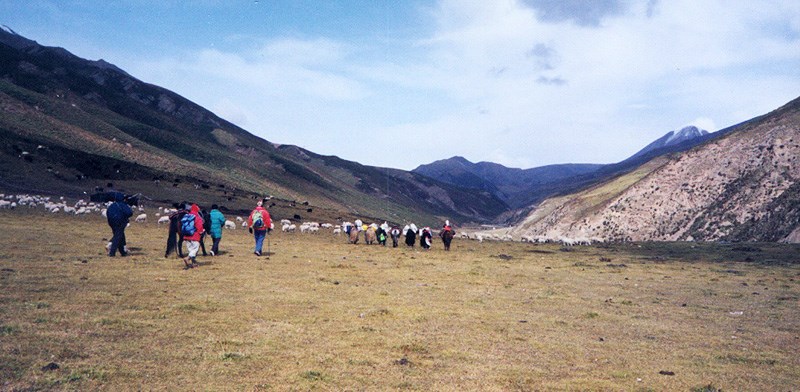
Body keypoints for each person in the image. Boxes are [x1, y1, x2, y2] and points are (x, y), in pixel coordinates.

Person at [106, 192, 133, 257]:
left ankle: (122, 252)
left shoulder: (112, 206)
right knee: (117, 237)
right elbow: (130, 213)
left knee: (119, 235)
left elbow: (107, 213)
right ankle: (112, 252)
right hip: (120, 222)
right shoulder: (123, 205)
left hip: (111, 222)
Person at [181, 204, 205, 269]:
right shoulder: (197, 217)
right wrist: (201, 232)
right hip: (195, 236)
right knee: (195, 249)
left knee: (191, 250)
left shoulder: (186, 216)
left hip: (186, 236)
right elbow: (199, 227)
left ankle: (193, 264)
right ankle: (187, 258)